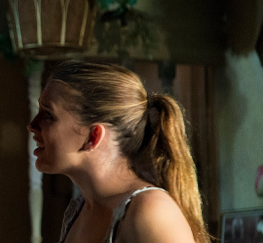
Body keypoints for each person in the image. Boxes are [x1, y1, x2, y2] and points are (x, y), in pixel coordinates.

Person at [26, 61, 211, 243]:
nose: (32, 126)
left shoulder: (151, 211)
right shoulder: (79, 209)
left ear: (93, 136)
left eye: (48, 115)